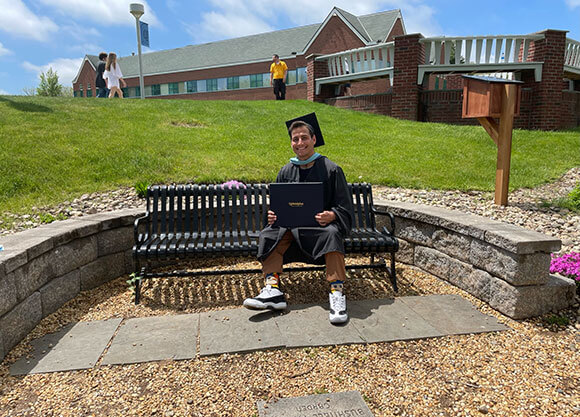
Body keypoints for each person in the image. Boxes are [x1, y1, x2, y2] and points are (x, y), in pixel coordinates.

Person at [243, 113, 354, 324]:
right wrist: (273, 214)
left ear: (314, 139)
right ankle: (272, 290)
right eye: (295, 139)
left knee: (332, 233)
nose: (300, 143)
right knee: (269, 232)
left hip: (319, 231)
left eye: (304, 138)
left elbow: (344, 207)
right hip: (291, 230)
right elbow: (277, 206)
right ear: (291, 143)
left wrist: (332, 215)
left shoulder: (331, 169)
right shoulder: (286, 171)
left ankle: (337, 293)